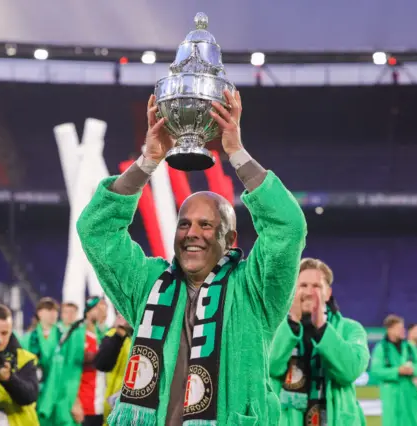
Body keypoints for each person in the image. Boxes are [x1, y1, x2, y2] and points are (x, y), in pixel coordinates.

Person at [77, 89, 307, 425]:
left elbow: (288, 227)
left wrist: (236, 153)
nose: (192, 233)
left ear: (230, 239)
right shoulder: (148, 284)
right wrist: (148, 161)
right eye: (184, 224)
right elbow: (95, 230)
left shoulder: (255, 291)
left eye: (205, 225)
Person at [269, 258, 369, 426]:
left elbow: (350, 371)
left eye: (316, 286)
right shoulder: (276, 328)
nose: (309, 292)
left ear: (328, 293)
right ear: (293, 290)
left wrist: (322, 328)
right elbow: (271, 367)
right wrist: (292, 324)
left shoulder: (350, 329)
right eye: (303, 285)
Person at [369, 314, 417, 426]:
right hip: (391, 394)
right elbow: (376, 371)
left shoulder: (409, 347)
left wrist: (413, 370)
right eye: (399, 328)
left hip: (409, 393)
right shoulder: (382, 348)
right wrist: (397, 371)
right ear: (390, 330)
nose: (403, 331)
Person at [93, 313, 134, 425]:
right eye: (120, 316)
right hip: (114, 404)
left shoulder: (143, 337)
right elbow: (102, 364)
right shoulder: (112, 335)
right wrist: (118, 335)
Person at [77, 297, 108, 426]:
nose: (103, 310)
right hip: (85, 403)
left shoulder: (108, 333)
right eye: (99, 307)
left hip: (105, 402)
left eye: (105, 307)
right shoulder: (79, 334)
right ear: (88, 311)